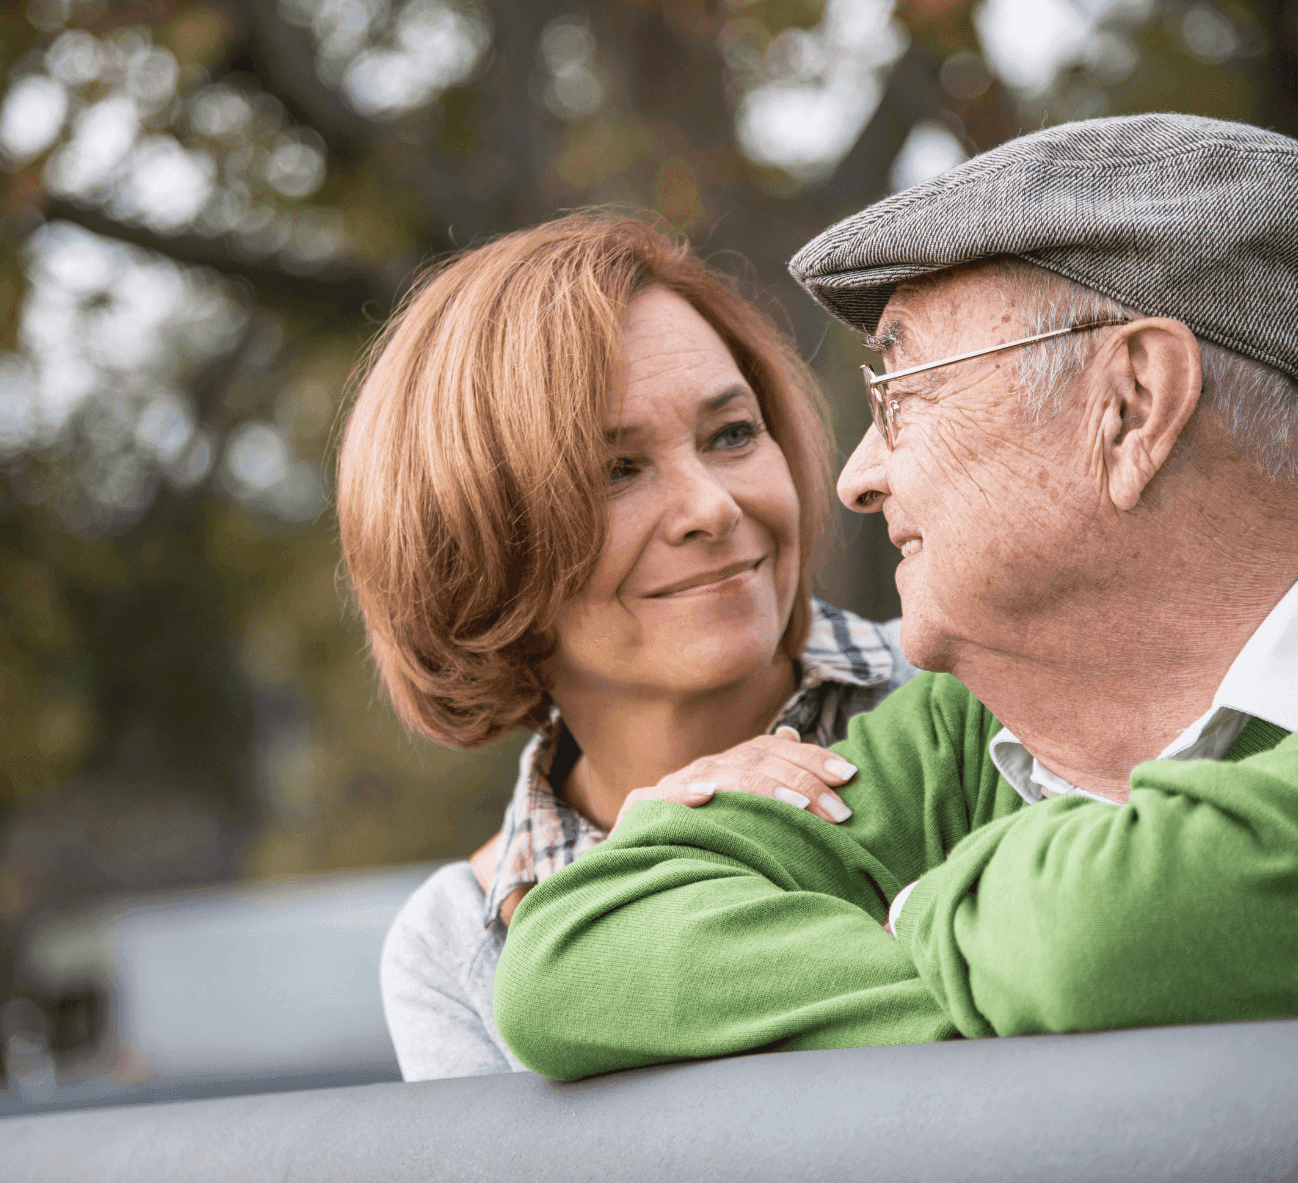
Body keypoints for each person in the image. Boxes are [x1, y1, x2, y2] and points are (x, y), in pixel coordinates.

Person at [492, 112, 1298, 1080]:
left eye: (903, 394)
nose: (855, 478)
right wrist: (1024, 963)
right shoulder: (971, 729)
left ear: (1129, 405)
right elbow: (573, 956)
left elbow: (1108, 939)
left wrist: (919, 907)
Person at [336, 216, 917, 1081]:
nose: (711, 508)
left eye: (730, 435)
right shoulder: (459, 945)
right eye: (615, 472)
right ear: (479, 548)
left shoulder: (981, 684)